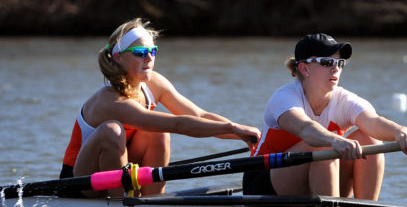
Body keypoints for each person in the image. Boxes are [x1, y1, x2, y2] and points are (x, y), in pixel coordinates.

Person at [60, 19, 261, 197]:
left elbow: (198, 115)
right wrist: (232, 128)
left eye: (152, 51)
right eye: (140, 53)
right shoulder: (110, 101)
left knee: (159, 134)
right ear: (118, 57)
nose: (149, 58)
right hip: (79, 182)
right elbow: (179, 125)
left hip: (119, 172)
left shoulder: (154, 83)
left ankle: (153, 199)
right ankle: (121, 204)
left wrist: (248, 136)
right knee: (112, 130)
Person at [242, 33, 407, 199]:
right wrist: (334, 140)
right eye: (327, 62)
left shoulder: (345, 100)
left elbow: (373, 122)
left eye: (339, 63)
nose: (336, 68)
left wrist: (400, 132)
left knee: (370, 139)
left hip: (319, 177)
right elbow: (306, 128)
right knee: (322, 146)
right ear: (304, 68)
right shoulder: (284, 98)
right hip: (263, 182)